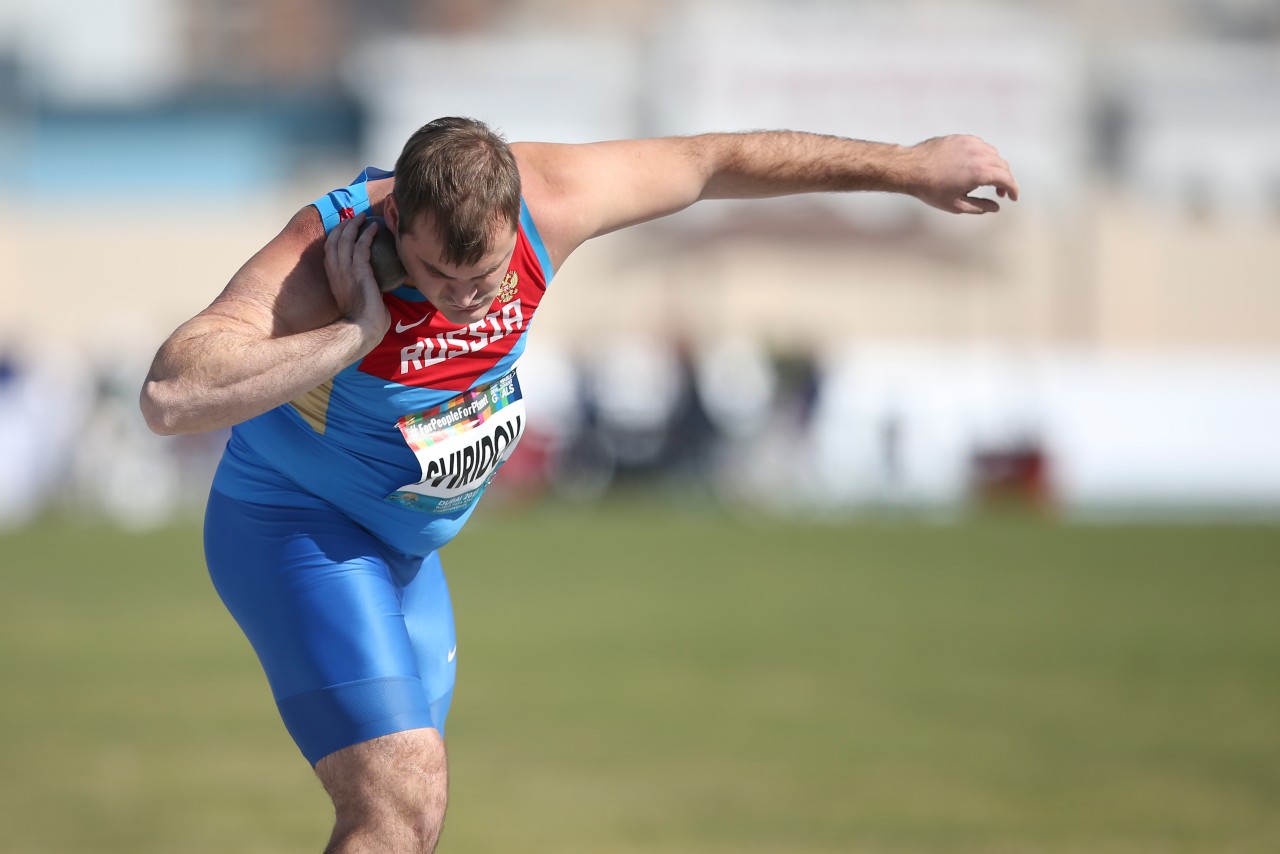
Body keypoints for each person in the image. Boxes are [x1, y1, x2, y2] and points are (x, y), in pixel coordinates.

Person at [140, 117, 1018, 853]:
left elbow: (720, 161)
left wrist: (906, 168)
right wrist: (351, 333)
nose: (465, 302)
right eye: (439, 277)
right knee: (395, 805)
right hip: (299, 527)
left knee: (412, 822)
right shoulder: (321, 256)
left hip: (409, 554)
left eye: (483, 279)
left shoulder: (554, 198)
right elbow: (172, 394)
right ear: (398, 220)